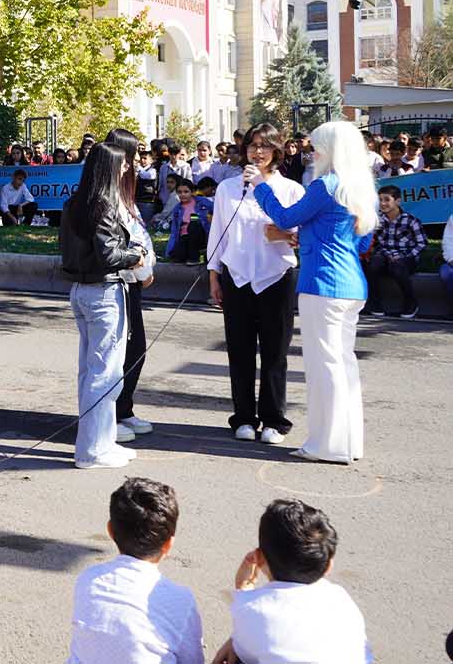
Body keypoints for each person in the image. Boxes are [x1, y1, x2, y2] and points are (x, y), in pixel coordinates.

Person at [250, 121, 376, 464]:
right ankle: (347, 442)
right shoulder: (362, 188)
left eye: (318, 146)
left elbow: (286, 215)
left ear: (333, 150)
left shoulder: (326, 185)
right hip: (351, 285)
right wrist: (313, 237)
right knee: (343, 364)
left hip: (322, 284)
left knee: (324, 366)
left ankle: (327, 444)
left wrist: (261, 186)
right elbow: (362, 240)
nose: (312, 151)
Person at [207, 123, 304, 445]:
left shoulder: (291, 189)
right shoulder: (228, 188)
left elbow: (301, 234)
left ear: (277, 150)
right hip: (237, 276)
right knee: (240, 351)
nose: (257, 151)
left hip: (275, 276)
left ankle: (274, 420)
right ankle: (244, 418)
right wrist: (214, 276)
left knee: (276, 352)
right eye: (252, 146)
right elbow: (218, 235)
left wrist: (284, 233)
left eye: (264, 146)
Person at [59, 144, 148, 469]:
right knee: (105, 373)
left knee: (93, 371)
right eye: (122, 166)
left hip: (82, 289)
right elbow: (109, 254)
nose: (126, 171)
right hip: (104, 291)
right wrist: (135, 256)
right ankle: (91, 450)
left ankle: (102, 441)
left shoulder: (74, 203)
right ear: (109, 169)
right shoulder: (104, 205)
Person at [211, 499, 371, 664]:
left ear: (258, 559)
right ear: (329, 566)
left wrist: (243, 589)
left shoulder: (252, 608)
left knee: (237, 654)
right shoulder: (341, 599)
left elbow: (246, 648)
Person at [67, 478, 203, 664]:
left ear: (110, 531)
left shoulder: (89, 579)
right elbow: (193, 660)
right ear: (168, 544)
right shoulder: (181, 599)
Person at [105, 130, 156, 444]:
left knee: (136, 348)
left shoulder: (127, 194)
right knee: (122, 349)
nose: (135, 162)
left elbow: (141, 236)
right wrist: (141, 265)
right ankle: (110, 412)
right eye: (132, 156)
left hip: (135, 281)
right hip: (119, 283)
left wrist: (149, 266)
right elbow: (124, 242)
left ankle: (124, 407)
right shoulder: (107, 195)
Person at [361, 184, 427, 319]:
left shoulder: (410, 220)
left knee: (397, 266)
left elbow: (422, 243)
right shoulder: (377, 220)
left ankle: (410, 302)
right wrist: (385, 253)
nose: (383, 203)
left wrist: (403, 256)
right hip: (385, 256)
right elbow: (376, 242)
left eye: (387, 200)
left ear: (397, 201)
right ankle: (375, 302)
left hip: (405, 258)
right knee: (373, 264)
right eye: (380, 200)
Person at [165, 179, 210, 264]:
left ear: (192, 192)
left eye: (186, 192)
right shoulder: (177, 209)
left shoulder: (202, 202)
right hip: (184, 237)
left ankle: (195, 258)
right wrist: (170, 249)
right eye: (179, 192)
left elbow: (216, 210)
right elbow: (174, 231)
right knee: (177, 257)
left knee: (193, 220)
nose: (183, 194)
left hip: (201, 235)